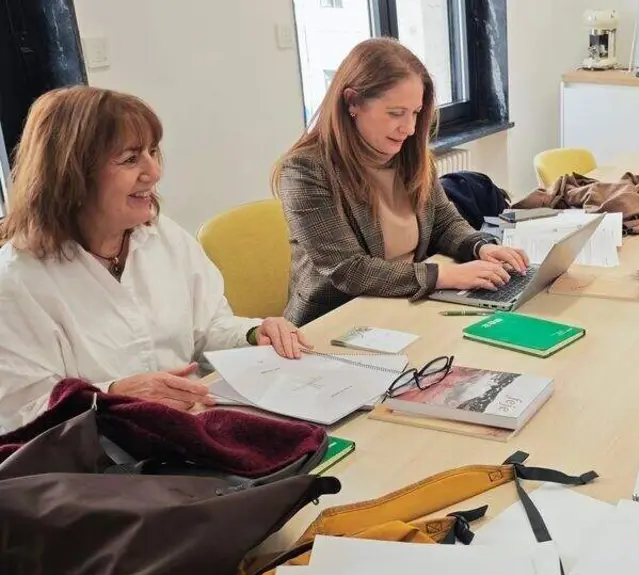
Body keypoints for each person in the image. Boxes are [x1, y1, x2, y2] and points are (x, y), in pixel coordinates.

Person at [0, 86, 306, 433]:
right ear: (73, 174)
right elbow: (21, 413)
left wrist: (253, 333)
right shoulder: (16, 282)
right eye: (131, 159)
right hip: (100, 463)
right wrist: (112, 395)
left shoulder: (164, 237)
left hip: (187, 430)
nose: (154, 173)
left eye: (153, 152)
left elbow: (207, 329)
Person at [276, 38, 528, 326]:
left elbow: (445, 224)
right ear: (352, 102)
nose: (408, 128)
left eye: (416, 113)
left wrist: (480, 247)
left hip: (405, 308)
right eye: (395, 113)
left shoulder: (411, 157)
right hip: (335, 323)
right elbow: (349, 270)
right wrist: (443, 275)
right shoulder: (305, 171)